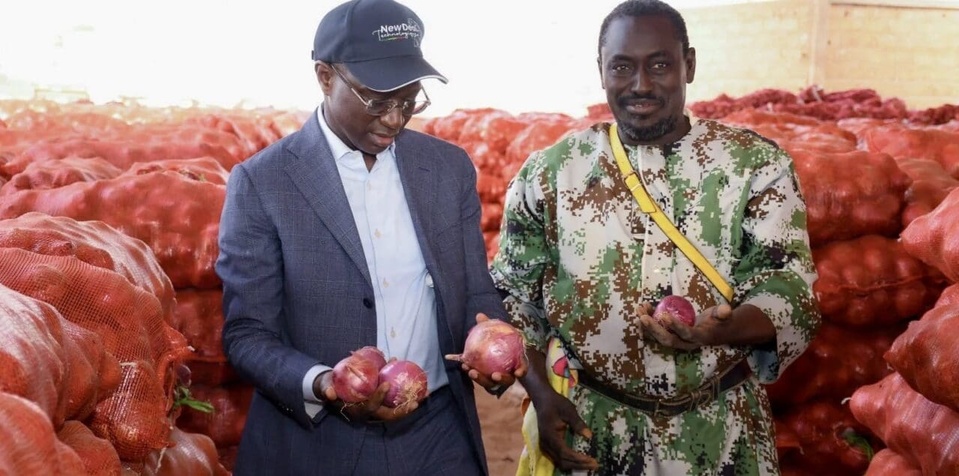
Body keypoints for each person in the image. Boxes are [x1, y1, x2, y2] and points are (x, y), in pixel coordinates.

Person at [490, 1, 821, 474]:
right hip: (593, 430)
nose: (640, 85)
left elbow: (791, 290)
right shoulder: (552, 173)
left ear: (689, 63)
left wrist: (723, 329)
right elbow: (514, 293)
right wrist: (542, 396)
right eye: (622, 67)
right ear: (601, 71)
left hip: (721, 431)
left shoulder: (754, 166)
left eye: (660, 64)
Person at [216, 1, 524, 474]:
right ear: (324, 77)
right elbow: (247, 336)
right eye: (378, 100)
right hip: (320, 445)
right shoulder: (264, 183)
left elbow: (474, 290)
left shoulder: (446, 168)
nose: (395, 119)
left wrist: (492, 343)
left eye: (410, 99)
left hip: (438, 436)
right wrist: (325, 384)